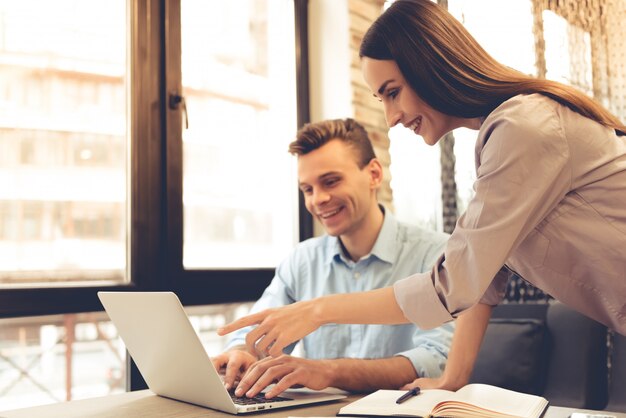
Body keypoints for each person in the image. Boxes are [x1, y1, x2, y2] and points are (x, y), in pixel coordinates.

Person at [218, 0, 626, 378]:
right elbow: (485, 278)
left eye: (393, 92)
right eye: (380, 99)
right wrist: (451, 383)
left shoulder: (522, 127)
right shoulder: (500, 140)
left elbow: (453, 285)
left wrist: (319, 311)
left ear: (432, 66)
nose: (391, 117)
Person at [211, 118, 469, 400]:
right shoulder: (301, 261)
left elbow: (437, 361)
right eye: (307, 189)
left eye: (331, 181)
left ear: (373, 174)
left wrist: (329, 371)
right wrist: (242, 353)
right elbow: (259, 338)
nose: (318, 199)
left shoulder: (435, 252)